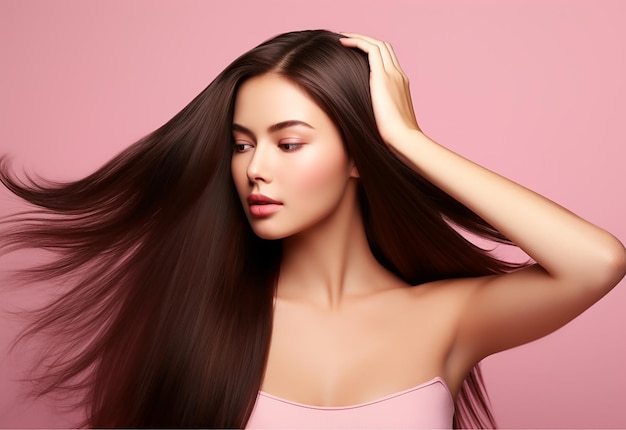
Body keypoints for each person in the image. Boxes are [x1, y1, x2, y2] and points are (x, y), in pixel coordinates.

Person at [0, 29, 624, 429]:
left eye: (288, 143)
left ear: (360, 155)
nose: (255, 169)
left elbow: (597, 263)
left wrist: (408, 141)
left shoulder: (447, 319)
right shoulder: (199, 318)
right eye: (241, 145)